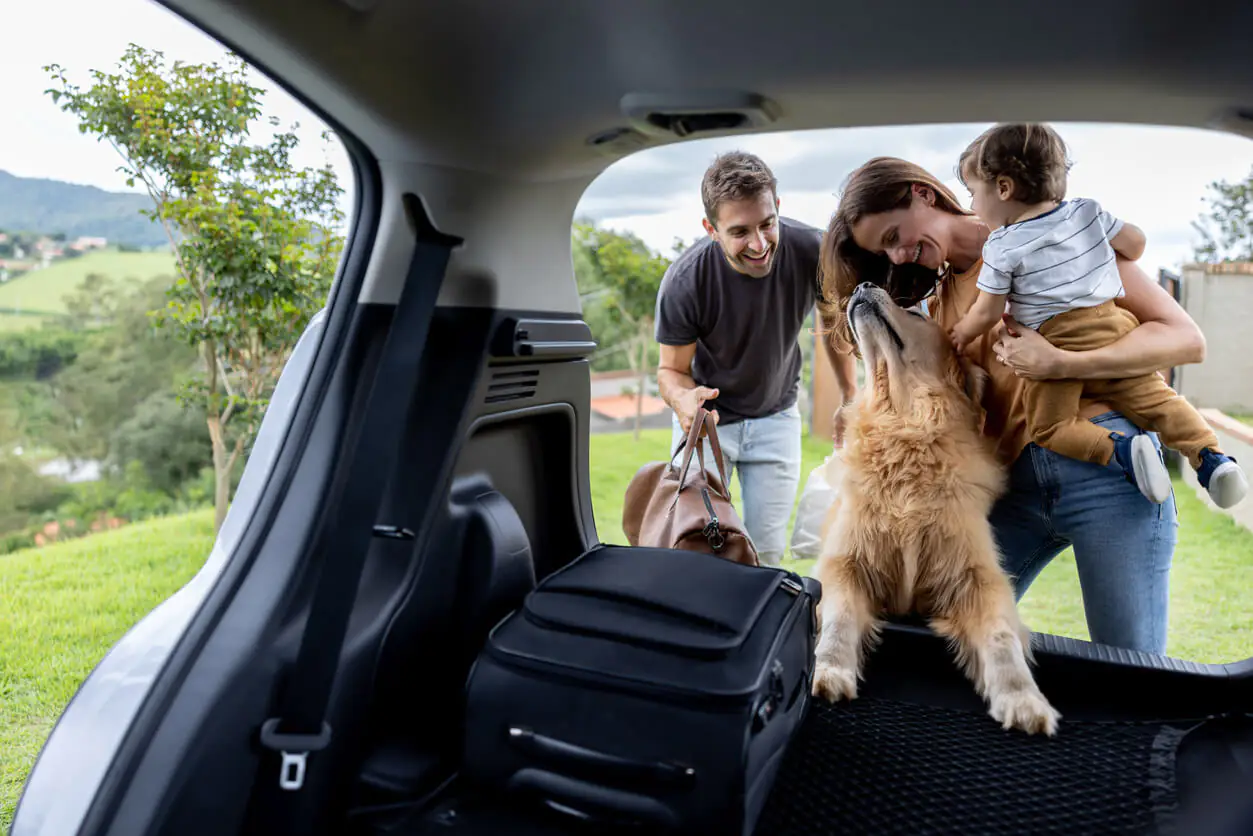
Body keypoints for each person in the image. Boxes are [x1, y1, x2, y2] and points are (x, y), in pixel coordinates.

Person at [818, 154, 1207, 655]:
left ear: (922, 193)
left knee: (1131, 665)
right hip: (1014, 489)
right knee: (933, 641)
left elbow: (1184, 340)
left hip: (1108, 475)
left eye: (893, 236)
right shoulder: (939, 302)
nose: (897, 257)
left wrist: (1060, 363)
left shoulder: (1058, 237)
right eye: (884, 252)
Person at [948, 123, 1247, 510]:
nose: (973, 206)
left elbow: (987, 311)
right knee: (1162, 402)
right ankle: (1212, 459)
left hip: (1056, 342)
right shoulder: (1086, 212)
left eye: (974, 193)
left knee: (1051, 428)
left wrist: (961, 332)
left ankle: (1122, 452)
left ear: (1003, 189)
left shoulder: (1002, 247)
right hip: (1114, 328)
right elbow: (1136, 244)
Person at [654, 150, 858, 566]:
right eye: (740, 231)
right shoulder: (686, 279)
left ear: (778, 207)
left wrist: (850, 395)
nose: (760, 243)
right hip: (707, 425)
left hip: (776, 419)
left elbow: (833, 323)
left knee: (764, 555)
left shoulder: (812, 250)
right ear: (711, 228)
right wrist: (683, 401)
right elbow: (671, 370)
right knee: (699, 551)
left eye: (767, 224)